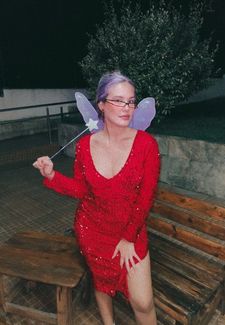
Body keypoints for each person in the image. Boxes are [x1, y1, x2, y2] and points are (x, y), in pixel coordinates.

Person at [33, 71, 161, 325]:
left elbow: (145, 199)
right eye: (118, 100)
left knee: (143, 303)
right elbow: (82, 191)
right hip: (92, 231)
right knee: (102, 284)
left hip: (130, 234)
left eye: (131, 101)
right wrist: (51, 176)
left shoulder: (147, 145)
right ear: (101, 104)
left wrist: (127, 238)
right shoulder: (85, 146)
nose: (127, 108)